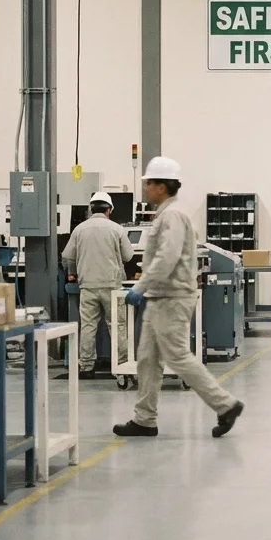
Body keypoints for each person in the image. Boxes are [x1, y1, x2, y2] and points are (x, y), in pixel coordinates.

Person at [113, 157, 244, 438]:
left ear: (161, 186)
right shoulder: (166, 213)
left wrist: (140, 286)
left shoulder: (173, 215)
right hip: (160, 296)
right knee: (147, 358)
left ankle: (226, 404)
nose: (145, 188)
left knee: (179, 356)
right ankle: (145, 419)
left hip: (171, 297)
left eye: (148, 183)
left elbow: (167, 257)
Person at [61, 191, 134, 379]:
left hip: (88, 286)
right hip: (112, 285)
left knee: (88, 326)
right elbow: (128, 256)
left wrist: (73, 272)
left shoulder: (80, 230)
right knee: (117, 325)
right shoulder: (117, 229)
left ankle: (86, 367)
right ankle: (122, 365)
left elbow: (67, 255)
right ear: (109, 210)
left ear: (91, 209)